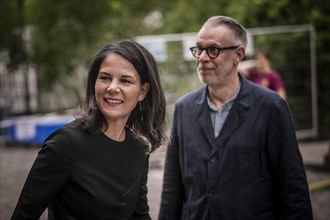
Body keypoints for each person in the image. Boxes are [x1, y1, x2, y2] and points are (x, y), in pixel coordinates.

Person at [159, 16, 312, 220]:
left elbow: (292, 187)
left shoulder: (270, 107)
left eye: (213, 50)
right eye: (199, 49)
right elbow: (172, 187)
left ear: (238, 55)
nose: (202, 58)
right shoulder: (183, 109)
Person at [11, 39, 167, 220]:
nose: (112, 87)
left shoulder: (139, 150)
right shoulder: (65, 144)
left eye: (125, 81)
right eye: (105, 78)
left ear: (142, 91)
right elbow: (24, 215)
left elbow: (139, 216)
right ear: (95, 83)